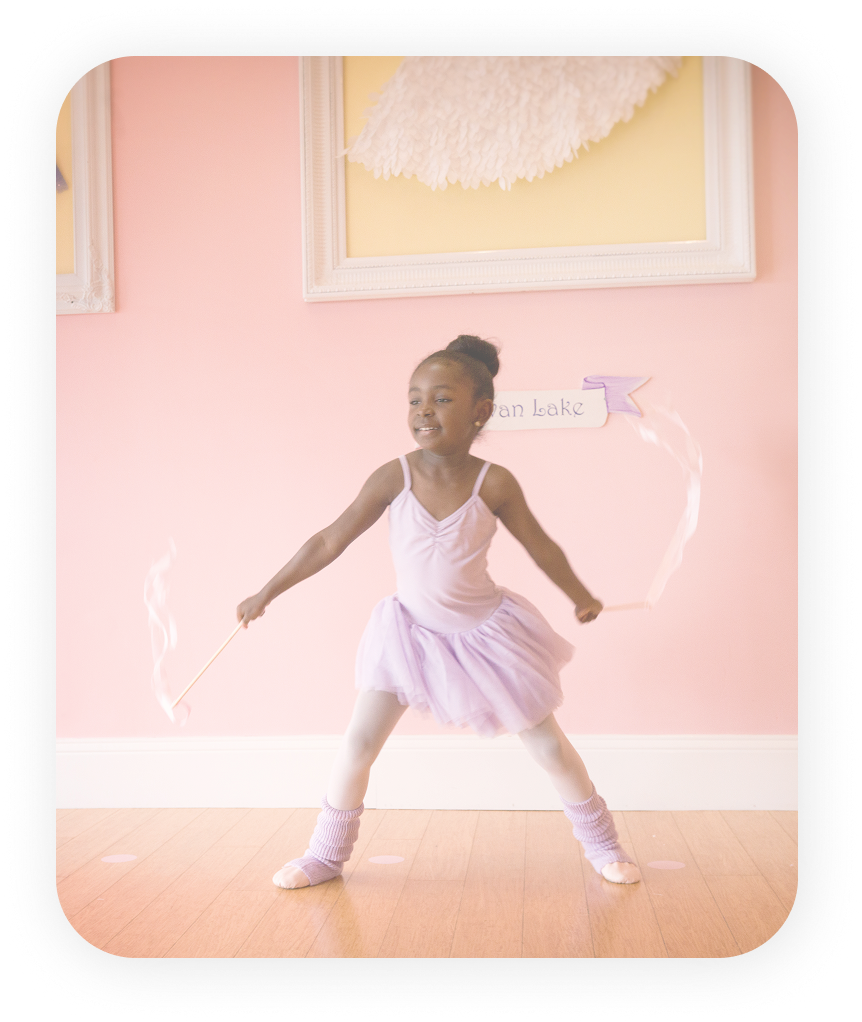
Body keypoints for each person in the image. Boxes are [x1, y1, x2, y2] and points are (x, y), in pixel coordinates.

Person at [237, 335, 641, 889]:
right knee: (358, 744)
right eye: (414, 399)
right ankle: (325, 856)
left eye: (443, 399)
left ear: (481, 412)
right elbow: (329, 540)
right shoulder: (393, 477)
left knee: (549, 747)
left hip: (485, 637)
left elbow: (541, 546)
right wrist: (267, 591)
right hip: (408, 637)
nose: (424, 410)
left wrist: (580, 595)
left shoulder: (494, 482)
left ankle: (604, 846)